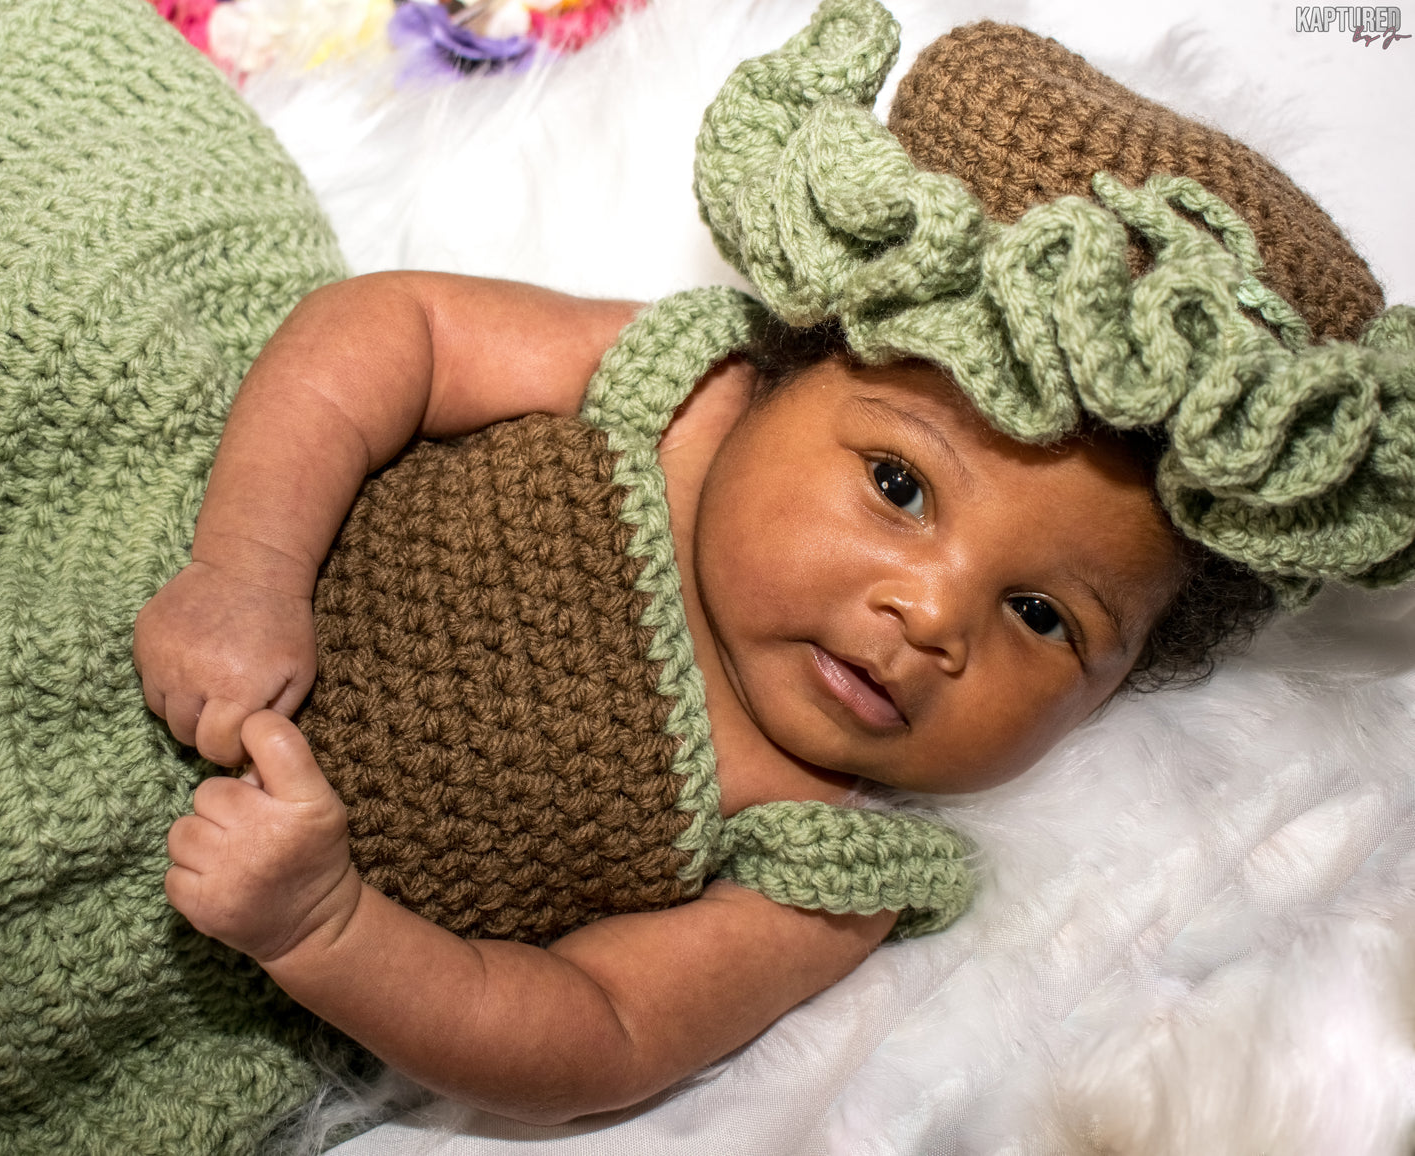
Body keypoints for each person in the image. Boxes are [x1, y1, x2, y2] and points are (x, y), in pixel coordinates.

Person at [131, 0, 1415, 1129]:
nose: (928, 615)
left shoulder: (821, 861)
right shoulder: (680, 398)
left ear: (1126, 681)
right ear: (792, 367)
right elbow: (389, 328)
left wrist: (327, 930)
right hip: (154, 546)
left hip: (199, 961)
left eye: (1039, 614)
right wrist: (247, 565)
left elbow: (597, 1033)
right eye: (899, 487)